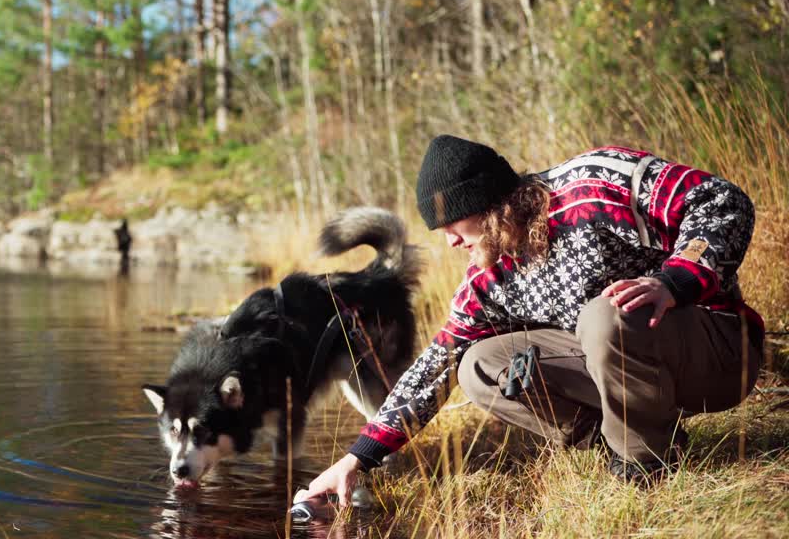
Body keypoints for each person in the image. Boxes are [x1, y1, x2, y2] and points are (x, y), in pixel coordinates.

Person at [296, 135, 764, 501]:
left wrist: (673, 281)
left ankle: (644, 468)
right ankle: (622, 440)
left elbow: (721, 201)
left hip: (717, 348)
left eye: (452, 228)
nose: (450, 244)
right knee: (477, 366)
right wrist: (358, 459)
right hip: (627, 361)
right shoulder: (491, 277)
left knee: (606, 315)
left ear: (486, 206)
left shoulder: (594, 184)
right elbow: (433, 366)